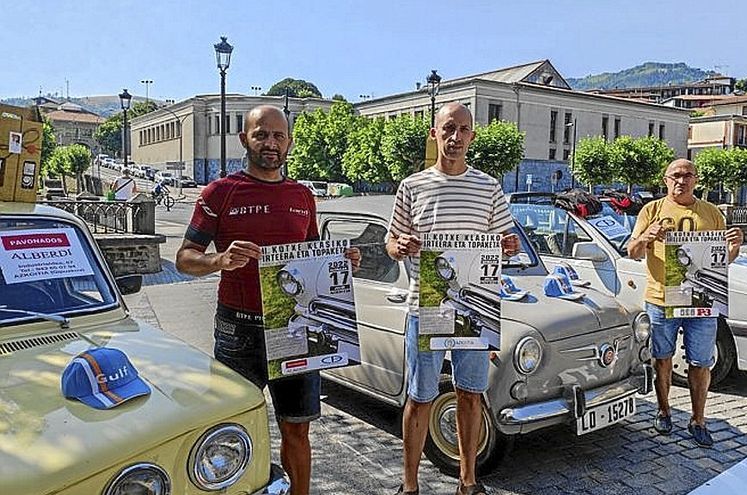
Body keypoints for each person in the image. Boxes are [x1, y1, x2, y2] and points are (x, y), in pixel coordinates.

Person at [175, 105, 359, 495]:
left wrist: (339, 262)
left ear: (289, 143)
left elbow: (312, 258)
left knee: (297, 427)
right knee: (234, 428)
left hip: (294, 327)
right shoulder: (219, 193)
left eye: (278, 136)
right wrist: (218, 260)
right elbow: (184, 257)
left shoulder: (303, 197)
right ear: (244, 139)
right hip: (238, 330)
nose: (270, 143)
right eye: (261, 135)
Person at [387, 103, 519, 495]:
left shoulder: (489, 187)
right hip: (425, 305)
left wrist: (508, 246)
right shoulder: (412, 186)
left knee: (470, 394)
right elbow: (391, 242)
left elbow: (504, 242)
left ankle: (468, 481)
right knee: (420, 395)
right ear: (435, 133)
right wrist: (400, 246)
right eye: (448, 128)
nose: (455, 136)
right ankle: (409, 485)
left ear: (472, 137)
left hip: (477, 306)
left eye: (463, 129)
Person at [626, 159, 743, 448]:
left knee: (701, 362)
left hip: (702, 299)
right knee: (662, 358)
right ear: (665, 180)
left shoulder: (712, 213)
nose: (682, 180)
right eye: (675, 175)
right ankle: (664, 410)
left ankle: (698, 420)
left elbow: (721, 261)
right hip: (661, 298)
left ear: (696, 179)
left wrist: (735, 248)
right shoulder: (651, 210)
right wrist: (645, 236)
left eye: (688, 175)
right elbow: (633, 252)